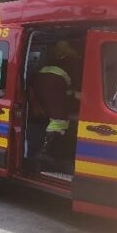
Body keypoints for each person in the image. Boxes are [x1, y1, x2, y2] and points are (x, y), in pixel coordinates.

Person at [30, 40, 81, 171]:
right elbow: (76, 84)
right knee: (60, 120)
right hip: (54, 83)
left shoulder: (53, 57)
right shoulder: (74, 60)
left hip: (41, 80)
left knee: (53, 116)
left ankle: (45, 152)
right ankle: (45, 152)